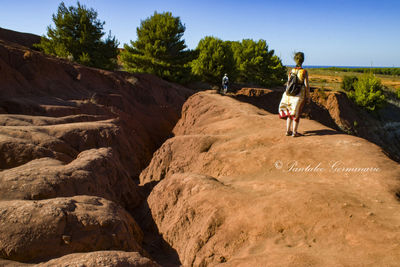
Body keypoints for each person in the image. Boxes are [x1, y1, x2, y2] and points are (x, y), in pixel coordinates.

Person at [278, 52, 310, 137]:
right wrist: (308, 96)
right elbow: (306, 85)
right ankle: (294, 132)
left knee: (290, 113)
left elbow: (288, 83)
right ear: (303, 60)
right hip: (299, 94)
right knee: (297, 113)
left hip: (289, 94)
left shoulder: (291, 71)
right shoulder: (304, 71)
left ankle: (288, 131)